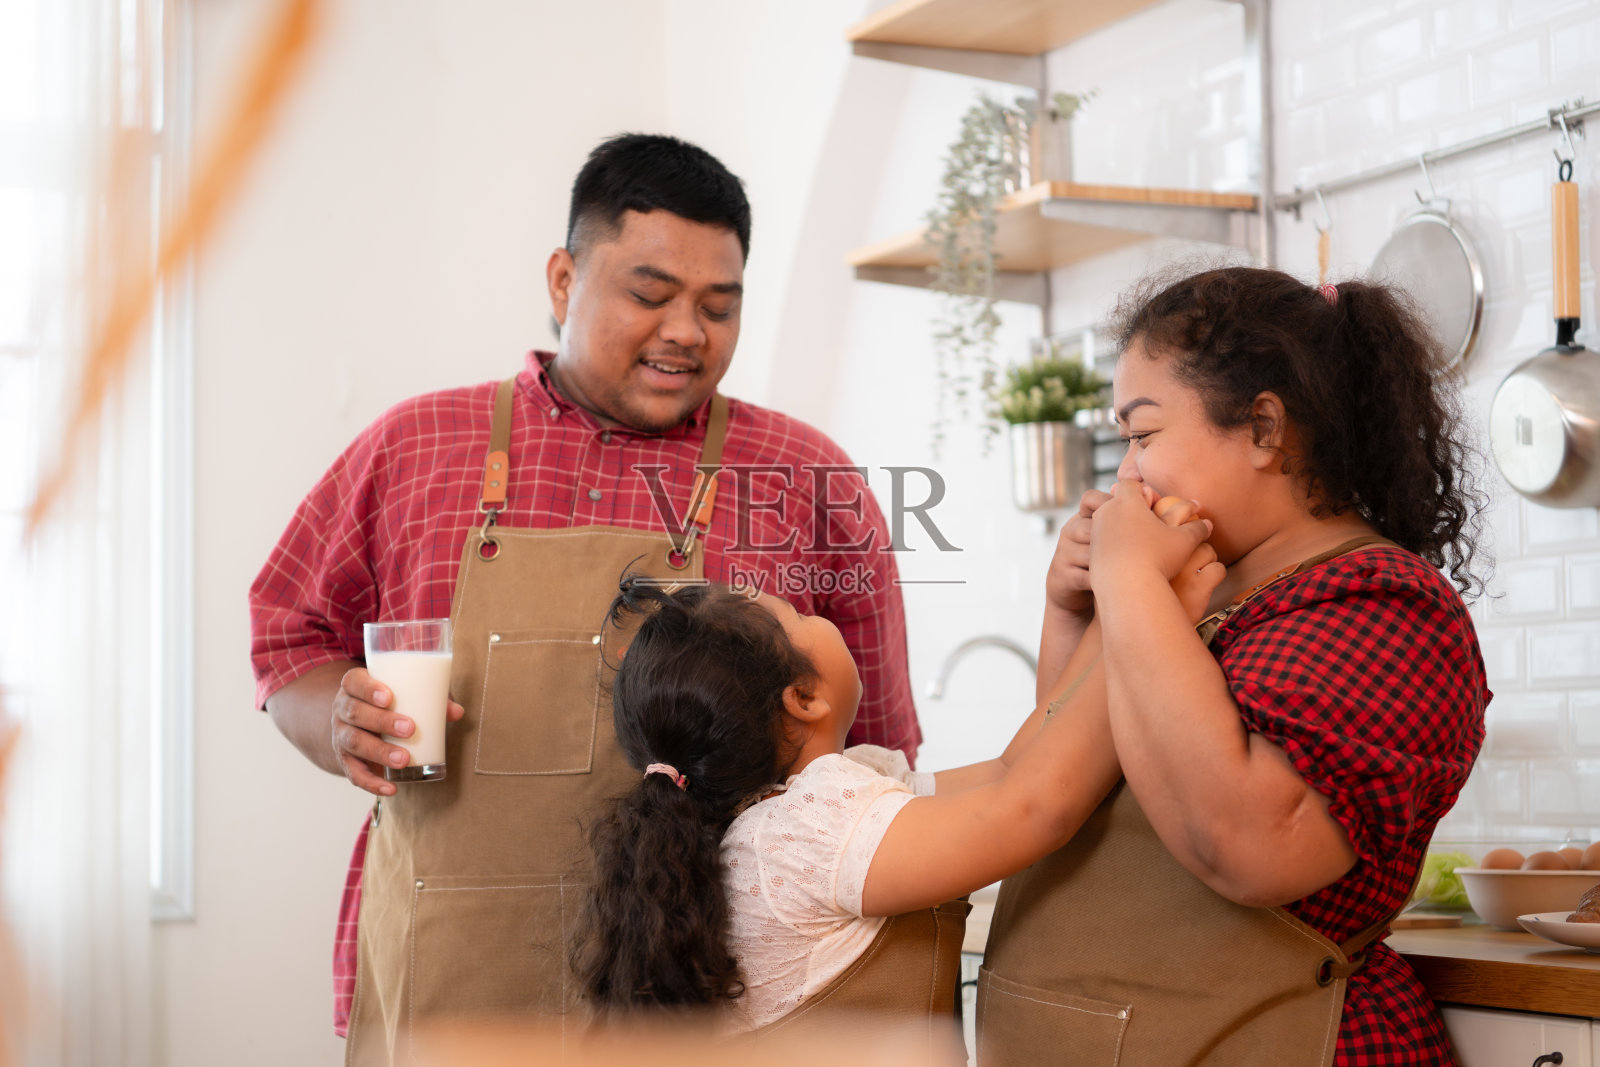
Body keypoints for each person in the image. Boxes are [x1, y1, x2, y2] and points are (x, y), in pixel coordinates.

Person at [248, 133, 923, 1061]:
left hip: (702, 995)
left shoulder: (804, 475)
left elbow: (881, 750)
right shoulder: (412, 448)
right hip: (453, 985)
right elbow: (289, 639)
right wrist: (334, 718)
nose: (687, 330)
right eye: (650, 295)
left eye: (719, 307)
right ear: (564, 279)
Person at [980, 267, 1491, 1065]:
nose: (1127, 476)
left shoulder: (1382, 605)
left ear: (1262, 428)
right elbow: (1071, 780)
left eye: (1143, 436)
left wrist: (1130, 579)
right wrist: (1073, 608)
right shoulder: (1199, 587)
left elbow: (1246, 843)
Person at [575, 507, 1220, 1040]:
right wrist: (1145, 601)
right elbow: (1032, 807)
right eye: (800, 617)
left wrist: (1079, 607)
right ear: (803, 698)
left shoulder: (793, 812)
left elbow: (1018, 769)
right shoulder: (812, 829)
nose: (813, 613)